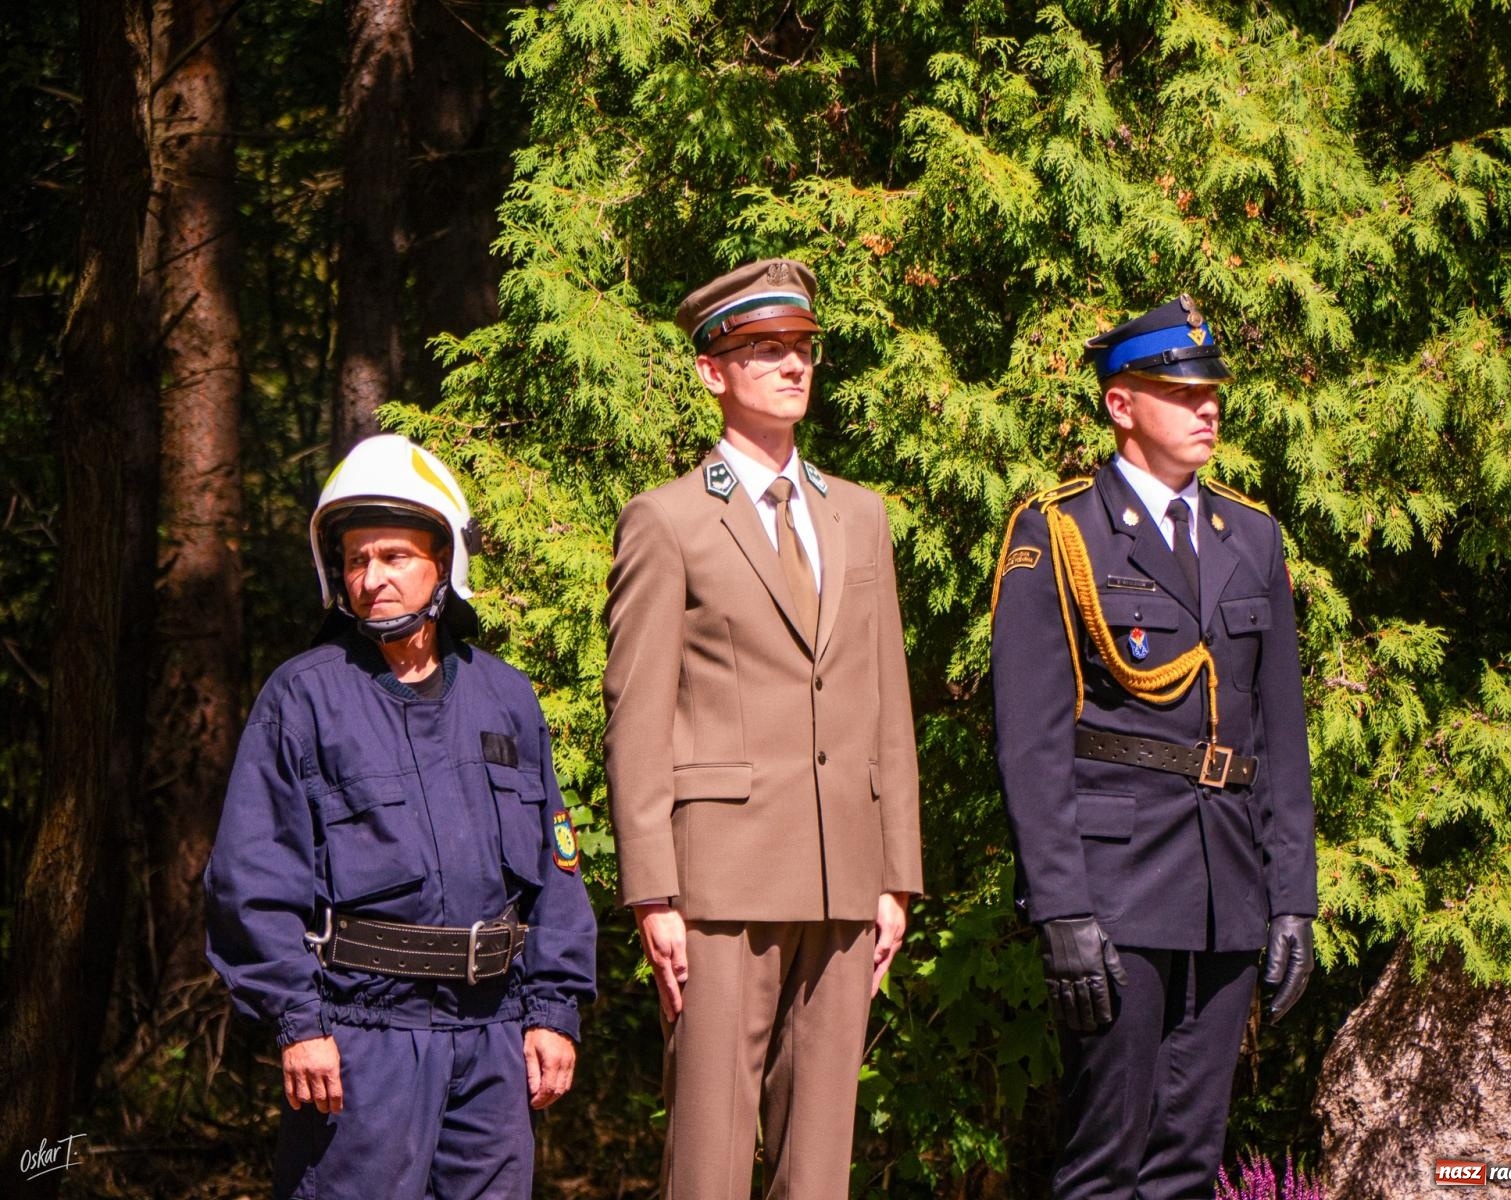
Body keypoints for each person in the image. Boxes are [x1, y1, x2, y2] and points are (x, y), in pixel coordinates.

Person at [602, 257, 923, 1199]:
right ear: (712, 372)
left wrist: (894, 874)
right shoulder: (666, 522)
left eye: (801, 349)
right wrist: (652, 891)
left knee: (820, 1162)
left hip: (844, 875)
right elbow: (637, 716)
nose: (792, 366)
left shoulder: (859, 517)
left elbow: (886, 706)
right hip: (720, 882)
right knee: (708, 1154)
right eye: (764, 350)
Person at [205, 434, 597, 1200]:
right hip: (360, 1043)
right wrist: (300, 1022)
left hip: (493, 1041)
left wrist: (553, 1009)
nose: (374, 579)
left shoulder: (505, 698)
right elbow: (250, 877)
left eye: (394, 557)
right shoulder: (304, 698)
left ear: (443, 563)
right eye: (357, 561)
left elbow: (557, 875)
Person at [990, 296, 1317, 1199]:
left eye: (1211, 391)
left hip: (1226, 891)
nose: (1206, 408)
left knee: (1187, 1160)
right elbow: (1031, 741)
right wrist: (1060, 910)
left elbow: (1279, 737)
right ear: (1121, 405)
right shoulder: (1059, 533)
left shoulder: (1251, 537)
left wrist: (1292, 899)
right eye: (1179, 393)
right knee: (1106, 1158)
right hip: (1115, 887)